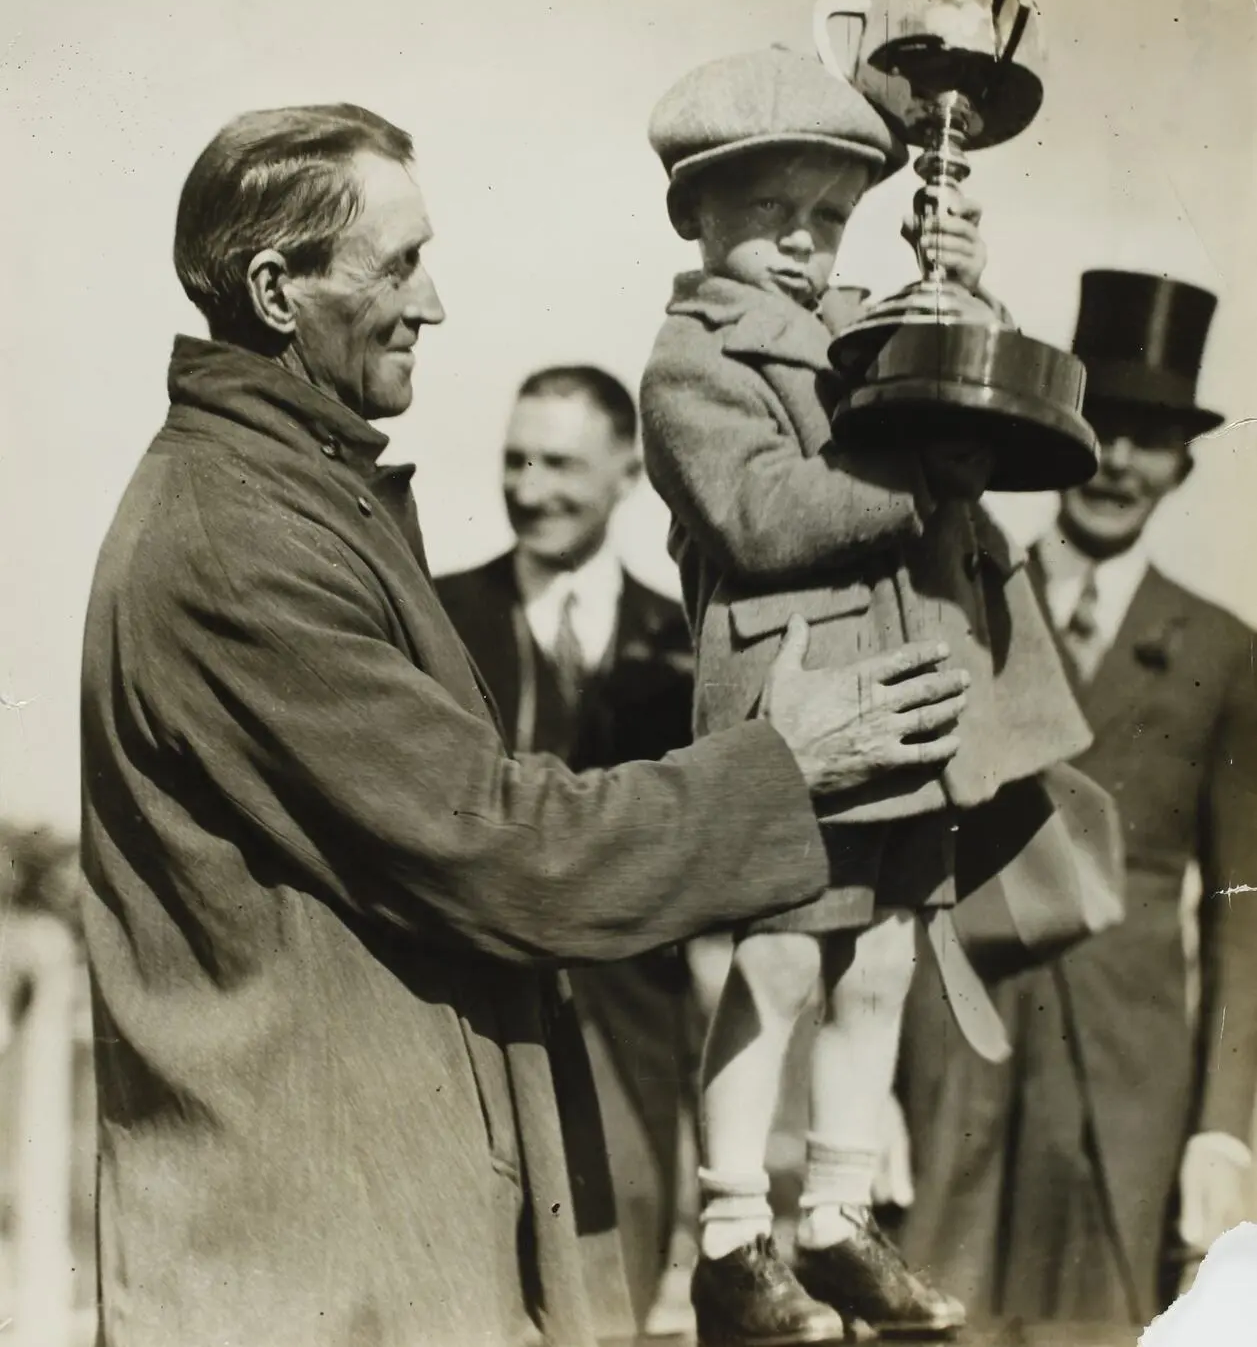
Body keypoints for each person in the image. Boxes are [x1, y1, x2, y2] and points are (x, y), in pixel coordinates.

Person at [79, 102, 975, 1347]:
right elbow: (501, 846)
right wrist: (785, 765)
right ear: (279, 291)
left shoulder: (285, 493)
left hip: (366, 1233)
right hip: (318, 1263)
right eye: (398, 265)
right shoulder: (239, 541)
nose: (433, 302)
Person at [639, 47, 1094, 1345]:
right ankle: (733, 1234)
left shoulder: (851, 328)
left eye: (829, 219)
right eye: (769, 215)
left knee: (883, 957)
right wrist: (920, 479)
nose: (802, 243)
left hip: (901, 699)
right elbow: (761, 515)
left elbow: (947, 375)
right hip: (802, 706)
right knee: (782, 962)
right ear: (693, 218)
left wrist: (958, 279)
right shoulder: (692, 361)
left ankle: (834, 1214)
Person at [894, 269, 1257, 1327]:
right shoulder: (965, 596)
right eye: (1107, 428)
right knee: (934, 1306)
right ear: (1063, 438)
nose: (1124, 461)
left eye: (1153, 437)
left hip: (1125, 1080)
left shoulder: (1226, 653)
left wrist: (1222, 1125)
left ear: (1183, 463)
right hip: (958, 1034)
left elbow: (1243, 909)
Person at [436, 365, 696, 1326]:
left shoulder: (683, 639)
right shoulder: (437, 615)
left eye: (559, 464)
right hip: (472, 1036)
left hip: (632, 1045)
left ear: (627, 471)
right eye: (514, 461)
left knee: (612, 1304)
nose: (530, 488)